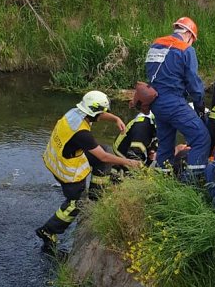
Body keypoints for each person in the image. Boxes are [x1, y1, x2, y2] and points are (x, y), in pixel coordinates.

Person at [36, 90, 140, 254]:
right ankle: (48, 231)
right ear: (95, 112)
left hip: (58, 154)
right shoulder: (82, 134)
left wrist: (115, 118)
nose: (105, 114)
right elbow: (104, 157)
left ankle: (96, 194)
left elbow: (97, 115)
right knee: (76, 203)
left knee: (103, 152)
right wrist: (130, 162)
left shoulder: (75, 112)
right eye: (104, 112)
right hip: (66, 169)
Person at [145, 17, 210, 174]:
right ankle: (193, 182)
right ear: (188, 34)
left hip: (155, 102)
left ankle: (163, 182)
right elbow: (194, 83)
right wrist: (199, 105)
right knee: (201, 138)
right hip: (173, 102)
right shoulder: (186, 50)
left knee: (165, 145)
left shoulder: (155, 44)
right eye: (192, 40)